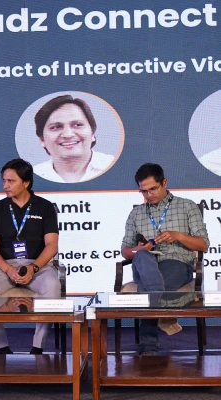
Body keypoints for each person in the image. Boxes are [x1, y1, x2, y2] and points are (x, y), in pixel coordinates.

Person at [121, 163, 209, 355]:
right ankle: (163, 318)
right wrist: (138, 249)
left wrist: (178, 236)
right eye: (143, 191)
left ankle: (148, 343)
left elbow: (203, 244)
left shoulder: (187, 206)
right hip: (145, 263)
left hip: (177, 263)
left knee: (150, 286)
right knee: (142, 257)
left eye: (153, 189)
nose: (148, 195)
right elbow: (125, 251)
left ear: (164, 183)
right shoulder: (136, 213)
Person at [0, 158, 61, 354]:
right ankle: (1, 346)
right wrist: (8, 269)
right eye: (4, 180)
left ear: (26, 183)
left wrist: (33, 268)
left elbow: (51, 245)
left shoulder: (45, 207)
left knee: (53, 286)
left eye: (11, 181)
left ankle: (38, 346)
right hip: (2, 266)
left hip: (38, 265)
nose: (5, 186)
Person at [33, 95, 115, 183]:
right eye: (56, 127)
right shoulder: (31, 175)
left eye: (77, 125)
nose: (68, 135)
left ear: (92, 134)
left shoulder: (118, 168)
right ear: (42, 140)